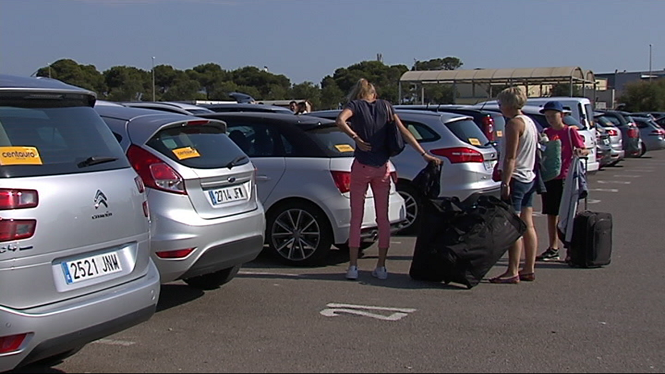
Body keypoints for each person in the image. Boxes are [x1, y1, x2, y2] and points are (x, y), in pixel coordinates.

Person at [335, 78, 441, 281]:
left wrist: (355, 137)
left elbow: (340, 121)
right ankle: (381, 266)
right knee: (382, 218)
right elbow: (404, 132)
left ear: (357, 94)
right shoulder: (386, 107)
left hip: (361, 165)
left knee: (356, 218)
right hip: (382, 166)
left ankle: (353, 266)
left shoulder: (354, 106)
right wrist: (424, 154)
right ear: (373, 94)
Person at [490, 87, 539, 284]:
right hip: (529, 176)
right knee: (527, 223)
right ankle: (529, 267)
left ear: (509, 105)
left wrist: (505, 183)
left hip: (517, 177)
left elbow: (510, 157)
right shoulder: (530, 122)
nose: (500, 108)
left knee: (514, 225)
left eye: (501, 104)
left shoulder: (514, 125)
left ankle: (512, 270)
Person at [536, 101, 589, 262]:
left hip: (566, 177)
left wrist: (580, 151)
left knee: (567, 215)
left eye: (553, 115)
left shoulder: (569, 132)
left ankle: (570, 247)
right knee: (551, 214)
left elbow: (584, 149)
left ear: (562, 115)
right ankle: (553, 247)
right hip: (550, 177)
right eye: (547, 116)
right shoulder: (546, 132)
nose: (550, 119)